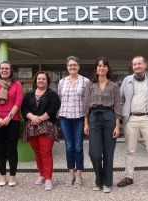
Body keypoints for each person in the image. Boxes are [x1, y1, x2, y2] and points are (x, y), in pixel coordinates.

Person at [117, 56, 148, 190]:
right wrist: (122, 114)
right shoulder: (127, 80)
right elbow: (121, 99)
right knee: (130, 150)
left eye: (139, 63)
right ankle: (128, 177)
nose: (137, 66)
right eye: (134, 64)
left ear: (145, 65)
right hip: (130, 119)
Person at [83, 57, 121, 193]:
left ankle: (106, 182)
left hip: (109, 117)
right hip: (94, 117)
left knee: (108, 153)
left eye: (104, 65)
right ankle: (98, 179)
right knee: (95, 153)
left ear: (108, 68)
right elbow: (86, 104)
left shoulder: (114, 86)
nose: (102, 68)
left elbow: (117, 106)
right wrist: (86, 123)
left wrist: (117, 126)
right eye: (99, 65)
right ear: (96, 68)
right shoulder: (90, 85)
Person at [21, 71, 61, 191]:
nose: (41, 81)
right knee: (37, 153)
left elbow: (54, 108)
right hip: (32, 126)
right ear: (36, 80)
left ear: (47, 81)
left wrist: (40, 119)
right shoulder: (29, 94)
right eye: (39, 79)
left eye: (43, 79)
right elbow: (24, 108)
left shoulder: (52, 94)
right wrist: (33, 118)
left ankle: (48, 179)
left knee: (46, 152)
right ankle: (42, 175)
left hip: (47, 127)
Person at [0, 61, 23, 187]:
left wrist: (9, 117)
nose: (4, 70)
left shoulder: (17, 84)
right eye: (2, 68)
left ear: (11, 70)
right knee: (0, 149)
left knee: (12, 149)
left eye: (6, 68)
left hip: (13, 120)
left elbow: (18, 102)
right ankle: (3, 176)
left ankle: (12, 176)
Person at [58, 56, 89, 187]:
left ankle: (79, 176)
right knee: (69, 146)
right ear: (67, 67)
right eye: (70, 65)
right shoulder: (62, 82)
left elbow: (87, 102)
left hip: (79, 118)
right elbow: (59, 99)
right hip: (64, 117)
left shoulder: (85, 81)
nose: (72, 67)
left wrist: (87, 121)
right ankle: (71, 174)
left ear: (79, 67)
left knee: (78, 147)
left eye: (75, 65)